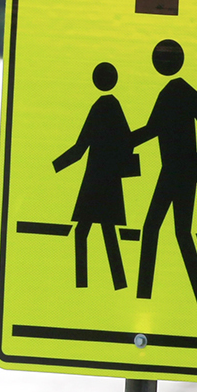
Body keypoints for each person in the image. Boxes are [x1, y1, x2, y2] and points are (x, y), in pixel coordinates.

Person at [130, 39, 197, 302]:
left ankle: (144, 293)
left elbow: (153, 129)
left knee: (154, 229)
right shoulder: (182, 93)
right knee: (179, 232)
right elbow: (155, 129)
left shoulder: (175, 93)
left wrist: (123, 141)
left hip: (174, 172)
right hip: (179, 172)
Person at [52, 62, 138, 290]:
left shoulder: (101, 107)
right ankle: (118, 283)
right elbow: (127, 142)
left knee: (82, 233)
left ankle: (83, 285)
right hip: (108, 180)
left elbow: (81, 148)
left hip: (95, 181)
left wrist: (55, 166)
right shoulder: (114, 106)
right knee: (106, 232)